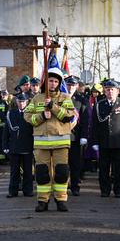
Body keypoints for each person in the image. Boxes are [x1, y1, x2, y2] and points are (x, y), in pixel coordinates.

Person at [24, 67, 75, 212]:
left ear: (59, 83)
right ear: (45, 82)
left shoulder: (65, 98)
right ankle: (42, 201)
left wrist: (53, 107)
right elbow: (27, 117)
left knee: (61, 172)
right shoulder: (37, 98)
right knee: (42, 173)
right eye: (50, 81)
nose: (52, 84)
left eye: (55, 81)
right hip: (41, 143)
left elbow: (68, 116)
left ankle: (61, 200)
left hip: (61, 142)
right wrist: (41, 117)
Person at [92, 79, 120, 197]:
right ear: (104, 91)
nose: (110, 92)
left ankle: (119, 190)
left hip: (118, 142)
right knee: (103, 168)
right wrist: (95, 141)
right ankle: (105, 190)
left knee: (119, 168)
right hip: (103, 141)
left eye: (112, 89)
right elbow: (95, 125)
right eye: (108, 89)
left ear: (117, 91)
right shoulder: (99, 105)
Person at [4, 93, 33, 198]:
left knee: (28, 171)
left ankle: (28, 190)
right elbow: (6, 131)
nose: (21, 104)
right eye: (19, 101)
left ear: (27, 102)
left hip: (27, 146)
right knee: (14, 171)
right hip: (14, 146)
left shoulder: (30, 114)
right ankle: (13, 191)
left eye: (23, 102)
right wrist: (5, 146)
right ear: (16, 102)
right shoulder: (11, 114)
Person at [65, 75, 88, 196]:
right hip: (62, 135)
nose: (70, 87)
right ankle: (63, 186)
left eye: (73, 85)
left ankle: (75, 186)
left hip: (75, 136)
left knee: (75, 163)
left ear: (77, 86)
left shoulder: (81, 99)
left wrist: (84, 135)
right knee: (62, 164)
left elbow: (85, 119)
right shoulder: (60, 97)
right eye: (68, 84)